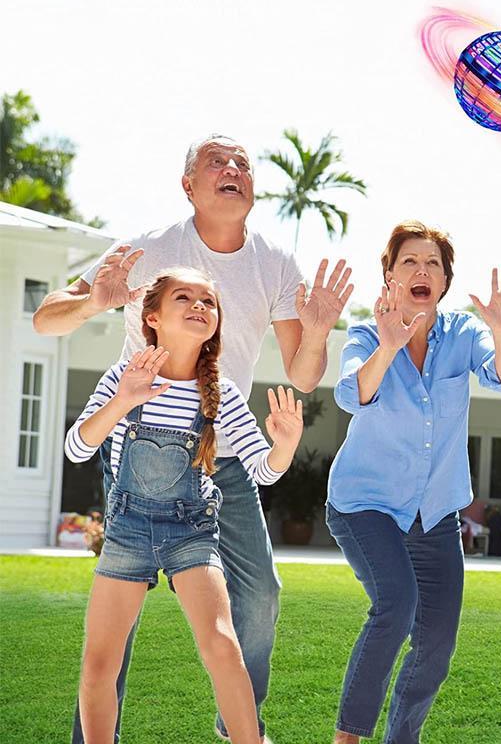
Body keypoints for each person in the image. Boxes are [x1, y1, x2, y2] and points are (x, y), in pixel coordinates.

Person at [34, 135, 351, 743]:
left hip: (224, 453)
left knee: (257, 597)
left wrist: (314, 334)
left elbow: (304, 374)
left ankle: (240, 730)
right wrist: (94, 301)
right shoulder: (150, 248)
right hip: (137, 448)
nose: (232, 170)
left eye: (242, 164)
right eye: (217, 161)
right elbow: (48, 318)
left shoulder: (275, 264)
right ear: (188, 185)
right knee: (110, 636)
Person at [65, 268, 304, 744]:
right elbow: (77, 447)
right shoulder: (123, 376)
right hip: (127, 530)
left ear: (216, 323)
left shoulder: (222, 393)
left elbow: (261, 469)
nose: (199, 305)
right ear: (151, 316)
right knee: (99, 662)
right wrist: (122, 400)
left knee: (221, 643)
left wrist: (285, 445)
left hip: (190, 531)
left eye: (208, 301)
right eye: (184, 297)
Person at [326, 221, 501, 744]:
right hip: (365, 505)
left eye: (433, 264)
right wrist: (391, 345)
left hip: (435, 512)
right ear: (390, 276)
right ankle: (347, 738)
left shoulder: (463, 333)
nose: (422, 271)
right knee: (396, 605)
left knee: (436, 642)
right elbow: (353, 394)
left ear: (444, 281)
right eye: (410, 262)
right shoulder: (368, 334)